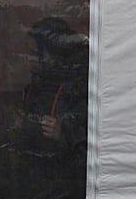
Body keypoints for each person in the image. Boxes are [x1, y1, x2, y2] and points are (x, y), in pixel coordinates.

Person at [10, 17, 89, 199]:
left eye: (34, 53)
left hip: (64, 184)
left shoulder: (77, 88)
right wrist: (18, 125)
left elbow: (91, 141)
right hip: (33, 179)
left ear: (53, 54)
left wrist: (63, 132)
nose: (29, 59)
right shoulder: (33, 87)